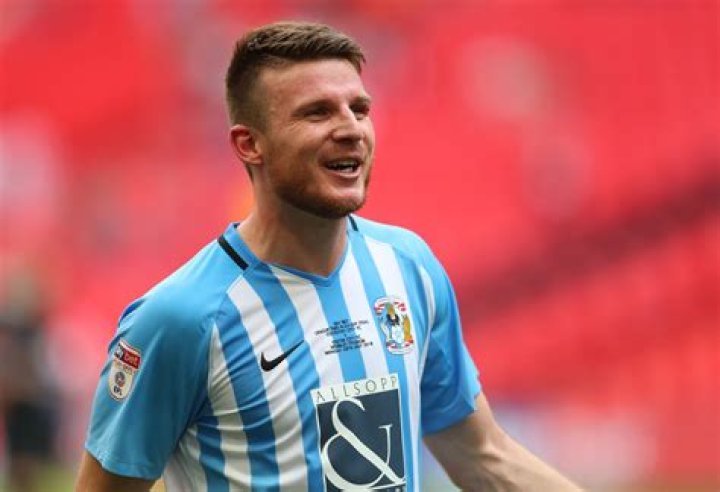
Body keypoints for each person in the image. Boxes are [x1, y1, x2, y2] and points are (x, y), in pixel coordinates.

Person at [75, 21, 581, 491]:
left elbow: (482, 455)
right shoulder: (180, 320)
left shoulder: (408, 268)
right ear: (250, 145)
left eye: (359, 109)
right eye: (317, 112)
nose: (350, 128)